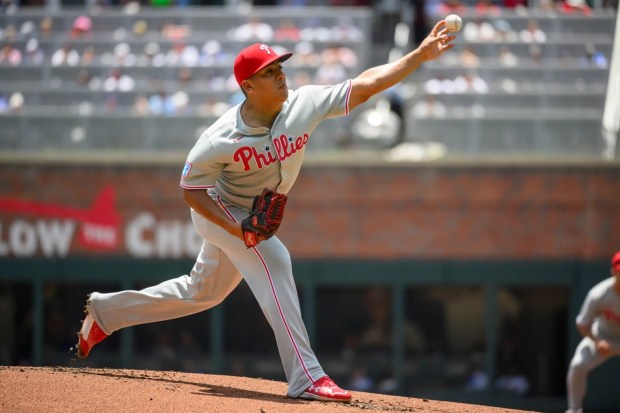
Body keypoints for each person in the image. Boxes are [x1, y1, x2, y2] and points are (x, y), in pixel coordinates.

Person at [75, 20, 457, 403]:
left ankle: (105, 313)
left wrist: (420, 55)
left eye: (280, 68)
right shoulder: (220, 138)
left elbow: (366, 83)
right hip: (220, 210)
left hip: (247, 213)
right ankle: (307, 377)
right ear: (247, 86)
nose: (280, 76)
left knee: (201, 292)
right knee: (275, 257)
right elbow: (191, 191)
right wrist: (237, 225)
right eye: (269, 72)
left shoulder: (302, 105)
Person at [566, 251, 620, 413]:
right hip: (603, 337)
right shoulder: (599, 294)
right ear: (613, 271)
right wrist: (597, 341)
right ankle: (574, 410)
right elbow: (583, 323)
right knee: (578, 365)